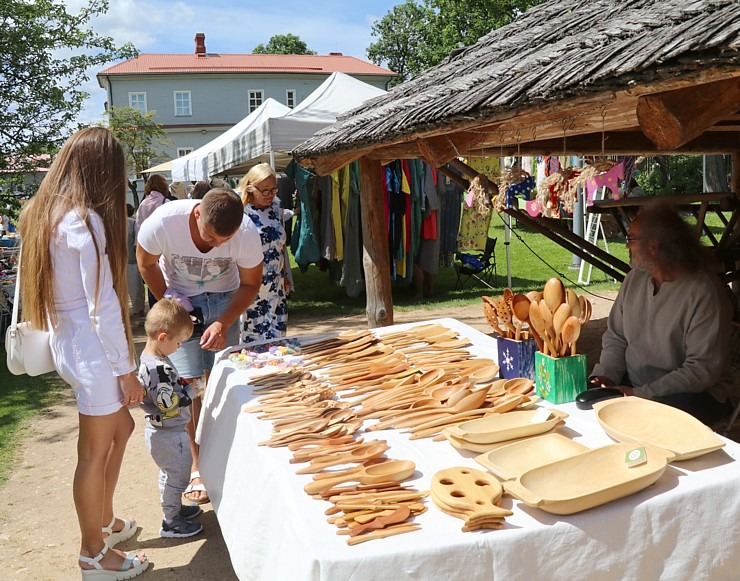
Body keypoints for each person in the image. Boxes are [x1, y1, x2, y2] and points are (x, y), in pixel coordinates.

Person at [17, 127, 148, 578]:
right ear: (102, 171)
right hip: (88, 347)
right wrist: (126, 369)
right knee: (93, 452)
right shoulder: (82, 220)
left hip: (69, 340)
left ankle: (105, 522)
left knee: (121, 428)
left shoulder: (43, 214)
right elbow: (103, 306)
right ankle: (93, 552)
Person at [136, 187, 263, 504]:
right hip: (182, 300)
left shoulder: (246, 232)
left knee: (222, 380)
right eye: (211, 237)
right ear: (196, 214)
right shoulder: (165, 221)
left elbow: (250, 283)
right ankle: (196, 467)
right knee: (188, 383)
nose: (216, 245)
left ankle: (226, 458)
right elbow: (145, 261)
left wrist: (224, 321)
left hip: (226, 299)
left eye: (224, 240)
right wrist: (168, 296)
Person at [590, 202, 736, 425]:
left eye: (631, 239)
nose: (627, 246)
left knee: (648, 422)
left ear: (654, 246)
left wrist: (639, 394)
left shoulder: (703, 292)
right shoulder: (634, 280)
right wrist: (605, 375)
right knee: (586, 401)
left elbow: (701, 371)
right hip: (638, 386)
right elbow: (616, 337)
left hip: (694, 394)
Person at [138, 298, 204, 538]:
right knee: (178, 475)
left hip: (165, 432)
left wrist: (184, 385)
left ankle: (174, 510)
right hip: (169, 432)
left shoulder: (153, 360)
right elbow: (169, 404)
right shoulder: (158, 369)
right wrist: (193, 391)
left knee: (171, 473)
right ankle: (171, 521)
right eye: (178, 343)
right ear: (163, 337)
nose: (179, 348)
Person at [238, 163, 291, 342]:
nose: (270, 195)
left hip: (275, 284)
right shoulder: (239, 209)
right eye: (265, 190)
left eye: (274, 189)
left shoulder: (277, 206)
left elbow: (281, 244)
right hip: (250, 284)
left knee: (276, 338)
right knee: (251, 340)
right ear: (251, 187)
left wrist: (285, 275)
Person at [126, 204, 145, 320]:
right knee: (135, 287)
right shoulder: (133, 223)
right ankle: (139, 310)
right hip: (132, 259)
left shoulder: (117, 222)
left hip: (121, 260)